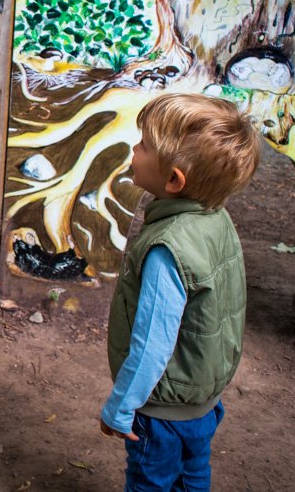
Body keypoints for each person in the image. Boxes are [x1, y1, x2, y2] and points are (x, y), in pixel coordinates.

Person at [99, 92, 262, 491]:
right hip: (201, 403)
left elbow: (152, 343)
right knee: (191, 479)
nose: (134, 149)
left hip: (161, 413)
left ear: (173, 180)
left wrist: (120, 408)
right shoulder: (216, 219)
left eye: (144, 145)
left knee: (150, 483)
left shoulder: (167, 250)